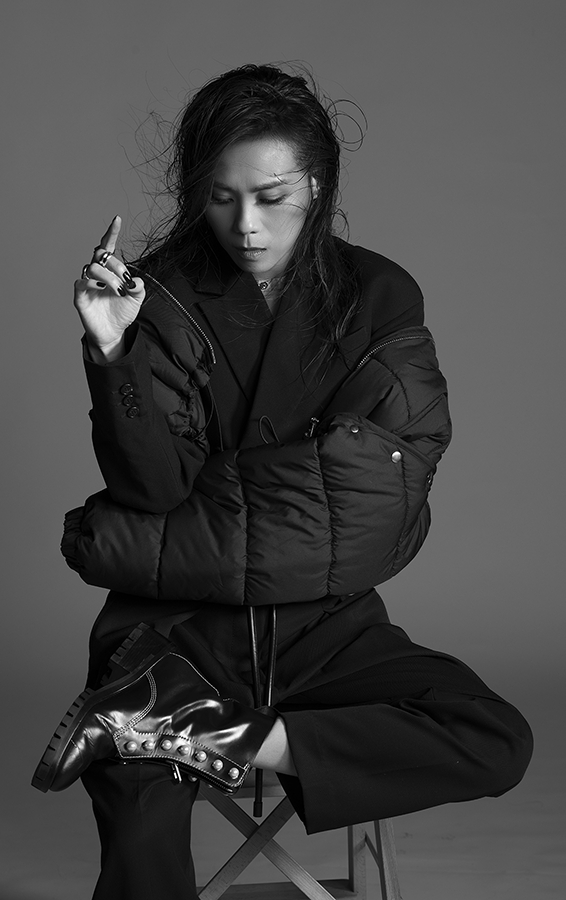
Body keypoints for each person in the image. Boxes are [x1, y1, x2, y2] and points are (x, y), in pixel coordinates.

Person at [33, 64, 533, 900]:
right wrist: (113, 351)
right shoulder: (155, 297)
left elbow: (378, 506)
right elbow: (156, 491)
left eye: (271, 197)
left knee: (496, 738)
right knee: (134, 791)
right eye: (221, 198)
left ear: (318, 185)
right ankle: (174, 718)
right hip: (174, 636)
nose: (247, 225)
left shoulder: (379, 295)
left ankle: (228, 734)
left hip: (326, 630)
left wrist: (197, 513)